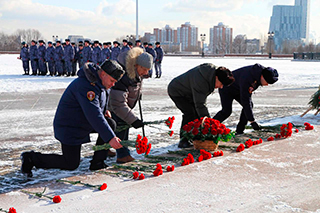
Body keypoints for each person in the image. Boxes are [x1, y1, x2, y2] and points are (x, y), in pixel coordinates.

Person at [20, 60, 126, 177]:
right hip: (70, 126)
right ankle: (31, 158)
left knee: (110, 123)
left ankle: (98, 162)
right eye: (112, 81)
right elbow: (93, 114)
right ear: (103, 74)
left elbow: (99, 102)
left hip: (82, 122)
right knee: (70, 163)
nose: (113, 84)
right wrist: (110, 138)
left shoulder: (101, 83)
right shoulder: (86, 86)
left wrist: (105, 110)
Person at [167, 63, 235, 148]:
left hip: (189, 92)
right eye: (221, 84)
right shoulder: (202, 80)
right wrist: (208, 123)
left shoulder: (213, 74)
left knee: (196, 113)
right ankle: (183, 140)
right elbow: (200, 104)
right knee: (190, 113)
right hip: (177, 91)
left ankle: (194, 138)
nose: (221, 87)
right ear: (216, 78)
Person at [109, 48, 153, 160]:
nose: (146, 73)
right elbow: (118, 104)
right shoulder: (123, 76)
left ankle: (103, 149)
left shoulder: (136, 73)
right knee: (121, 127)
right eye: (144, 69)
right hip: (113, 107)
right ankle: (123, 155)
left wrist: (138, 95)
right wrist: (134, 120)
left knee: (113, 128)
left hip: (123, 105)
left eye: (148, 70)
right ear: (136, 65)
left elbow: (135, 87)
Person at [213, 63, 279, 135]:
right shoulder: (248, 77)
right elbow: (245, 100)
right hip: (226, 88)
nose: (267, 85)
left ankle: (240, 130)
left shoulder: (258, 76)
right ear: (262, 77)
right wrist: (252, 121)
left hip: (238, 89)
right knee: (226, 111)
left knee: (249, 105)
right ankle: (210, 126)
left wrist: (251, 120)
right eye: (267, 82)